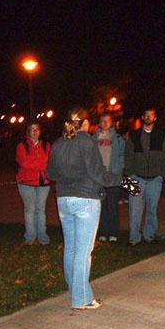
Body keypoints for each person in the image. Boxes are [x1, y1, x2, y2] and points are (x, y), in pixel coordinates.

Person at [47, 107, 122, 310]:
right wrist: (120, 180)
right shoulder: (86, 141)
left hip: (63, 200)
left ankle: (77, 291)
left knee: (71, 248)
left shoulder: (59, 143)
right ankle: (81, 299)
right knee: (83, 251)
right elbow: (99, 174)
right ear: (86, 123)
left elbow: (51, 173)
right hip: (86, 200)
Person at [125, 108, 165, 245]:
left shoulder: (161, 135)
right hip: (136, 178)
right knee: (134, 210)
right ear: (142, 117)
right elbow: (127, 157)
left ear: (155, 118)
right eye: (146, 115)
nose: (148, 117)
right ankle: (134, 237)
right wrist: (130, 175)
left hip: (155, 179)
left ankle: (149, 235)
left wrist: (162, 175)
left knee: (152, 208)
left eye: (151, 115)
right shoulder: (133, 135)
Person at [15, 122, 51, 245]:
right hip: (26, 182)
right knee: (30, 209)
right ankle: (30, 236)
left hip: (43, 182)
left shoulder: (46, 145)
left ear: (40, 131)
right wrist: (41, 163)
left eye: (37, 129)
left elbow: (49, 162)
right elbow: (24, 163)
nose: (34, 132)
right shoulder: (22, 146)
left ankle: (42, 236)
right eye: (32, 129)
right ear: (28, 132)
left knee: (41, 209)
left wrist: (36, 163)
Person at [92, 113, 125, 242]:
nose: (105, 123)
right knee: (101, 206)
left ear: (111, 123)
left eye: (107, 121)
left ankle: (113, 233)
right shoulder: (94, 138)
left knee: (112, 206)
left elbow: (122, 155)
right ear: (99, 123)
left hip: (113, 176)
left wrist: (118, 170)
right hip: (99, 177)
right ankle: (102, 232)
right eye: (102, 121)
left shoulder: (117, 138)